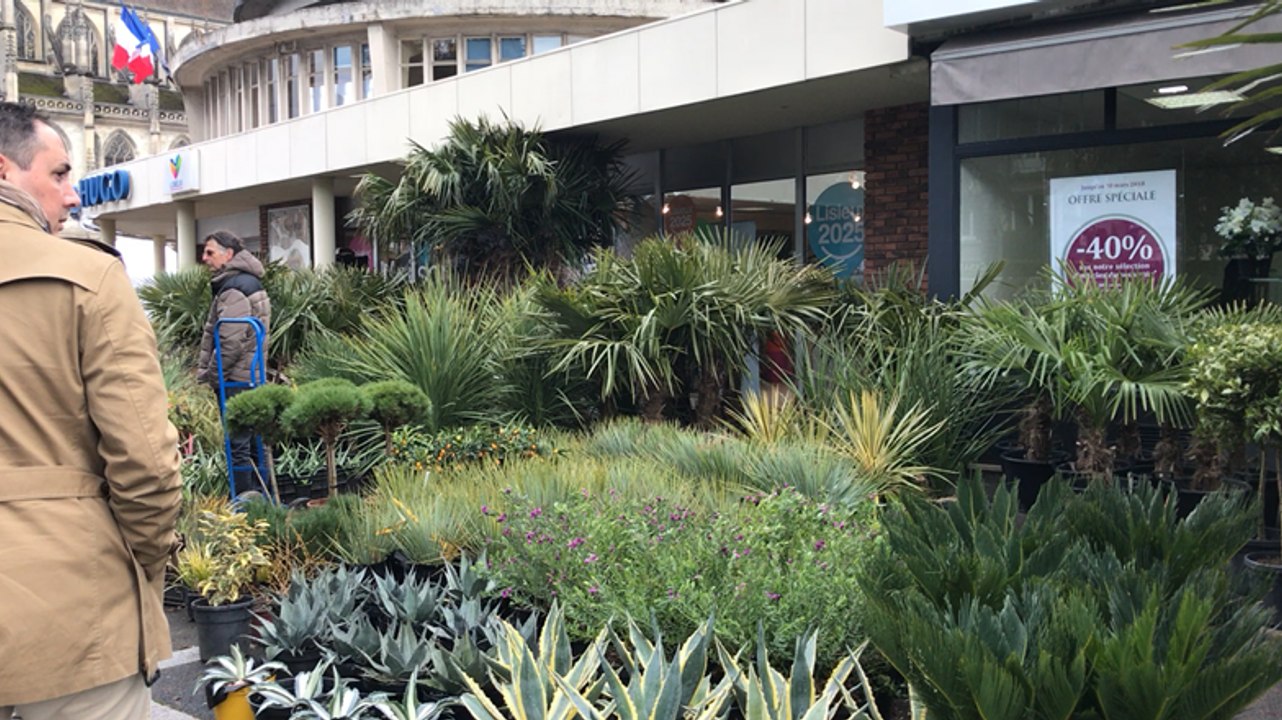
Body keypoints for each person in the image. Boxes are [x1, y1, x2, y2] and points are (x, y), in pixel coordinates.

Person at [0, 103, 182, 718]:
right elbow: (147, 466)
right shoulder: (88, 277)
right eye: (58, 174)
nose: (72, 196)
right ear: (3, 170)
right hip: (67, 610)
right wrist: (141, 565)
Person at [195, 229, 271, 495]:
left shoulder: (234, 288)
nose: (205, 258)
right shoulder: (246, 281)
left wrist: (214, 375)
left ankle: (244, 509)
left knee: (238, 447)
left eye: (210, 252)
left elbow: (230, 340)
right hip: (251, 375)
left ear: (229, 254)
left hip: (235, 379)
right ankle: (262, 500)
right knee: (253, 445)